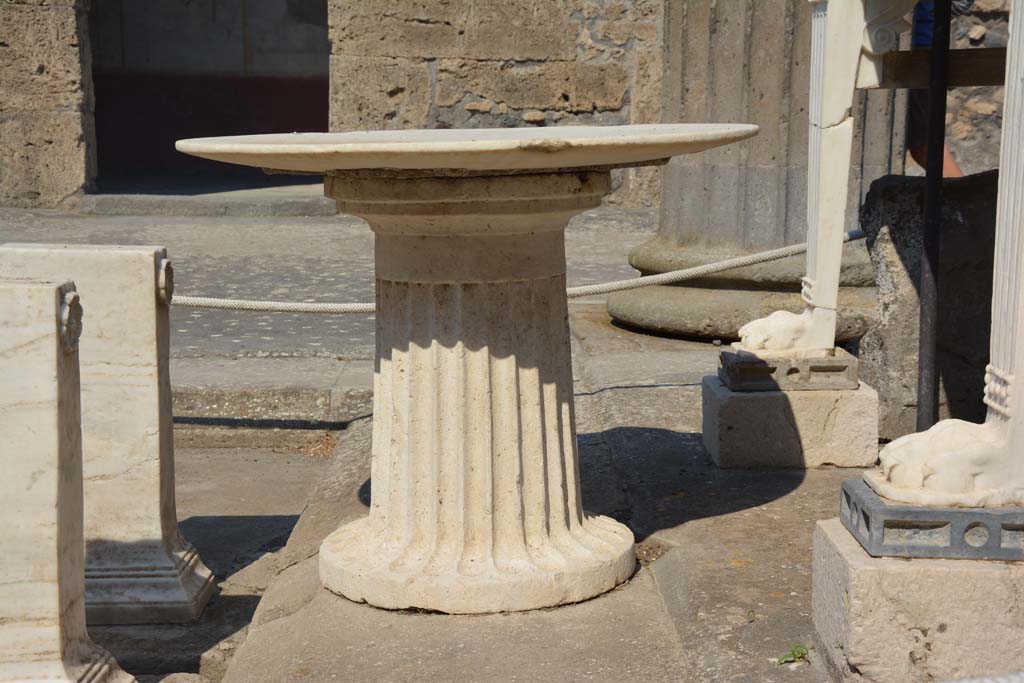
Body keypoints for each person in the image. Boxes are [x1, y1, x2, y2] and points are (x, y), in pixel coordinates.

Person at [906, 0, 975, 177]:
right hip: (919, 46)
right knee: (923, 146)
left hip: (918, 50)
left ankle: (965, 193)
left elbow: (961, 3)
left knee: (924, 146)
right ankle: (965, 191)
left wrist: (930, 16)